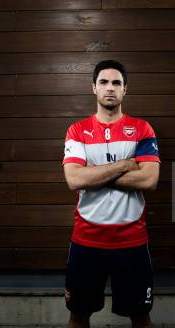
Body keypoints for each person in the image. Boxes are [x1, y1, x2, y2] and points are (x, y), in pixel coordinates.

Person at [62, 60, 160, 328]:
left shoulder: (142, 129)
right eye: (103, 82)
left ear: (125, 89)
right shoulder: (77, 131)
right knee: (78, 317)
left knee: (141, 318)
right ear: (93, 88)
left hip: (132, 240)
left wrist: (95, 174)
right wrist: (125, 164)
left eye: (116, 83)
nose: (110, 88)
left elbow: (149, 179)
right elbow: (74, 179)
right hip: (86, 240)